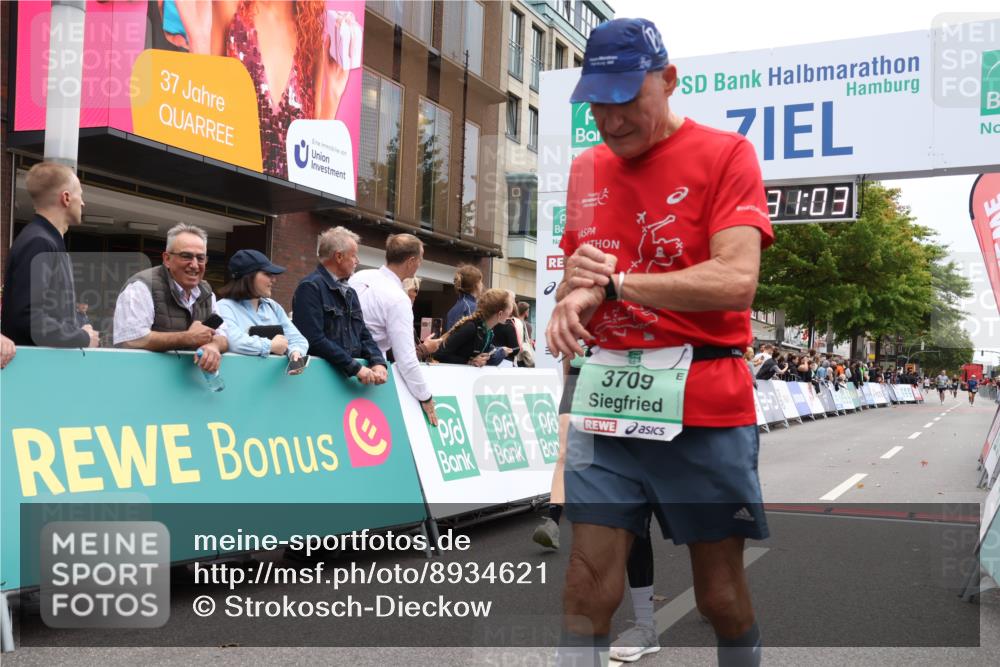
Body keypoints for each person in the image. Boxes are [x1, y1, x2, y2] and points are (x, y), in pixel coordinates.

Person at [546, 18, 772, 667]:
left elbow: (735, 279)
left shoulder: (726, 155)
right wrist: (570, 305)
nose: (610, 120)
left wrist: (616, 286)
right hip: (608, 397)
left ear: (668, 81)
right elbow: (581, 281)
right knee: (585, 588)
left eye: (626, 100)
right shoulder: (586, 169)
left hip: (703, 398)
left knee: (720, 596)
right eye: (597, 104)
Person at [209, 1, 358, 178]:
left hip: (287, 201)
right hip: (227, 192)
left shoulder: (311, 39)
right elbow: (209, 107)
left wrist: (333, 94)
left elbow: (313, 156)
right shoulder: (230, 7)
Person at [1, 162, 99, 349]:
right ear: (66, 198)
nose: (83, 203)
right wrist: (82, 337)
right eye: (81, 195)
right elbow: (29, 318)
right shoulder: (40, 242)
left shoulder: (43, 240)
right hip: (36, 368)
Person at [349, 233, 439, 425]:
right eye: (420, 259)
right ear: (411, 261)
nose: (420, 264)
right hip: (371, 375)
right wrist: (425, 397)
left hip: (344, 363)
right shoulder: (399, 299)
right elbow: (406, 359)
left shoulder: (359, 276)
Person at [113, 223, 229, 373]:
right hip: (141, 380)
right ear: (167, 259)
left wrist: (213, 346)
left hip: (188, 387)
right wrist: (187, 337)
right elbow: (131, 339)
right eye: (186, 256)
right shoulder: (141, 287)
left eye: (200, 258)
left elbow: (224, 337)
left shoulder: (206, 292)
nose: (194, 265)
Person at [292, 227, 387, 384]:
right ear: (339, 256)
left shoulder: (350, 292)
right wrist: (355, 368)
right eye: (354, 255)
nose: (357, 261)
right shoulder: (310, 287)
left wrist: (377, 362)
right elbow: (313, 339)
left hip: (345, 380)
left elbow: (362, 333)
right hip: (321, 381)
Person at [215, 249, 308, 370]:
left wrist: (295, 352)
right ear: (249, 276)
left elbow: (297, 339)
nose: (273, 279)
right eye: (267, 274)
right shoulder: (224, 307)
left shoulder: (273, 306)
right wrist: (271, 346)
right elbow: (234, 342)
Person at [434, 289, 513, 366]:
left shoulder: (488, 331)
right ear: (500, 314)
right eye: (509, 310)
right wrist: (469, 362)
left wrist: (500, 352)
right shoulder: (471, 327)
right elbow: (439, 354)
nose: (511, 314)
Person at [402, 276, 441, 362]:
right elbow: (403, 359)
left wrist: (427, 356)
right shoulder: (396, 319)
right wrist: (425, 348)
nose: (415, 296)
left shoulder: (407, 321)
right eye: (415, 290)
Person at [445, 265, 483, 331]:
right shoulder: (472, 307)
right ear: (476, 285)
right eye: (481, 281)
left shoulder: (453, 309)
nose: (482, 284)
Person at [514, 301, 536, 367]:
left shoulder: (513, 322)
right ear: (525, 312)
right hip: (523, 357)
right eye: (528, 311)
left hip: (514, 357)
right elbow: (527, 341)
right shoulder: (526, 325)